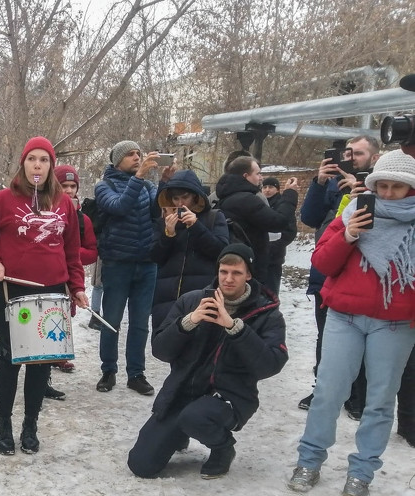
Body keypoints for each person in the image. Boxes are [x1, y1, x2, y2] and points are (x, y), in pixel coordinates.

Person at [287, 149, 415, 496]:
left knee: (379, 400)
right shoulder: (353, 209)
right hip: (345, 316)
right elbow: (323, 263)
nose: (387, 193)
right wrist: (348, 236)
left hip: (395, 323)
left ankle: (362, 470)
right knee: (328, 392)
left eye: (397, 188)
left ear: (411, 189)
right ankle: (309, 460)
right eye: (382, 186)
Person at [0, 136, 88, 455]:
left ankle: (30, 426)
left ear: (51, 165)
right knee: (11, 359)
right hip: (13, 292)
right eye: (32, 159)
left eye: (44, 160)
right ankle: (4, 426)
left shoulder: (63, 203)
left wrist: (76, 286)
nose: (38, 165)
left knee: (41, 363)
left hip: (52, 295)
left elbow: (72, 249)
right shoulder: (4, 200)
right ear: (23, 163)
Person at [127, 244, 287, 479]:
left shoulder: (267, 314)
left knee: (195, 417)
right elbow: (160, 351)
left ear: (249, 275)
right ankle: (179, 430)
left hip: (230, 397)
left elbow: (271, 365)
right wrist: (188, 322)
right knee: (141, 465)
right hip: (183, 391)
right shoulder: (193, 301)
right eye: (223, 272)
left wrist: (235, 327)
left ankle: (223, 448)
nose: (228, 279)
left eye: (237, 273)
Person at [297, 135, 381, 412]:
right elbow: (309, 219)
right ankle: (322, 389)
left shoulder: (383, 187)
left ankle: (359, 396)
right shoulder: (334, 184)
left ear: (374, 158)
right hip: (328, 275)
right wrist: (320, 183)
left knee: (365, 342)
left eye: (358, 153)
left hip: (363, 279)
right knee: (327, 337)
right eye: (348, 152)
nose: (350, 158)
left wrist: (365, 196)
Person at [94, 140, 174, 396]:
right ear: (117, 160)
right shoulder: (104, 186)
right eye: (130, 154)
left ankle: (136, 374)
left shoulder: (148, 186)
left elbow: (154, 213)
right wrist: (138, 178)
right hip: (118, 263)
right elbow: (119, 207)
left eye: (139, 154)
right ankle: (109, 370)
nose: (137, 157)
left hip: (146, 263)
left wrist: (163, 184)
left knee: (140, 323)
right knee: (112, 321)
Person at [150, 169, 229, 331]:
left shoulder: (213, 217)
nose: (180, 203)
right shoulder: (165, 220)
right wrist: (168, 234)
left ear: (195, 196)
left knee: (198, 348)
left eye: (184, 197)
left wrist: (196, 227)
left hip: (200, 296)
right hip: (166, 297)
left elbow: (221, 252)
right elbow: (155, 256)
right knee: (166, 347)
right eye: (175, 198)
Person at [215, 155, 294, 286]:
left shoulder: (224, 195)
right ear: (246, 176)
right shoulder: (246, 200)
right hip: (249, 268)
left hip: (236, 263)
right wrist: (290, 194)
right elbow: (279, 222)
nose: (261, 178)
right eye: (257, 174)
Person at [53, 163, 97, 375]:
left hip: (69, 276)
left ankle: (60, 354)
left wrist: (69, 253)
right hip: (46, 274)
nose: (69, 190)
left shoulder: (83, 219)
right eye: (64, 185)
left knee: (64, 316)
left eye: (72, 186)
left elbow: (92, 252)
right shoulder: (44, 211)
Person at [260, 176, 299, 296]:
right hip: (259, 257)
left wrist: (273, 247)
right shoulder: (259, 203)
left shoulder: (282, 205)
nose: (267, 190)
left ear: (277, 189)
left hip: (274, 258)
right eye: (264, 187)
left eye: (270, 187)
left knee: (270, 292)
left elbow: (289, 232)